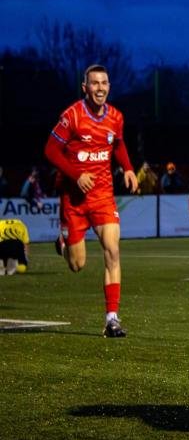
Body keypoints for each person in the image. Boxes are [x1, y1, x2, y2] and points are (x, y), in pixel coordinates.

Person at [43, 65, 138, 337]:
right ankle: (63, 242)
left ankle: (112, 319)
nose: (100, 88)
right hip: (74, 200)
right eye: (94, 83)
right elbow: (50, 150)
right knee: (77, 265)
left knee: (113, 250)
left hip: (103, 196)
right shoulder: (72, 116)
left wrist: (128, 168)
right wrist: (75, 175)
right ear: (85, 88)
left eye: (104, 83)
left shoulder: (116, 117)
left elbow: (118, 144)